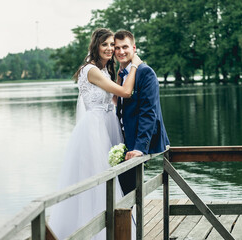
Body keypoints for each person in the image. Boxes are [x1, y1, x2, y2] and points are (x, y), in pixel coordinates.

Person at [48, 28, 142, 240]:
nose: (110, 49)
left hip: (108, 124)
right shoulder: (91, 70)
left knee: (109, 175)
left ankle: (110, 226)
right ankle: (93, 231)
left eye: (113, 45)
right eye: (106, 44)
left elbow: (115, 99)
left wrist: (118, 77)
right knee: (97, 177)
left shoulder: (103, 71)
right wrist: (134, 64)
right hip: (94, 129)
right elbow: (126, 93)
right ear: (96, 46)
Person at [114, 30, 170, 195]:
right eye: (117, 48)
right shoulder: (122, 74)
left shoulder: (145, 72)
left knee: (130, 192)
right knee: (123, 192)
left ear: (134, 47)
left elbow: (149, 113)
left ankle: (133, 221)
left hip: (140, 143)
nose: (121, 51)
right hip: (124, 141)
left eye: (125, 47)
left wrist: (140, 148)